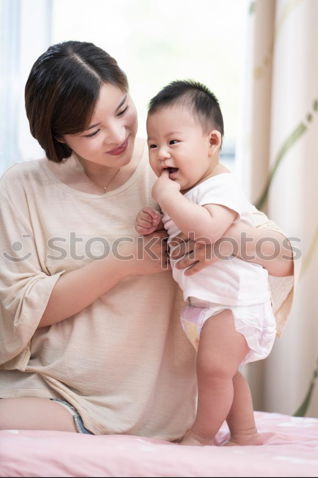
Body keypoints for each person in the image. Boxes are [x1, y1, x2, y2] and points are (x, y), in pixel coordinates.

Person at [0, 41, 294, 441]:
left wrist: (222, 240)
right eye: (92, 130)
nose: (119, 134)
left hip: (153, 401)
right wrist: (124, 262)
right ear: (60, 136)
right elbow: (19, 310)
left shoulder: (172, 164)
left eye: (122, 110)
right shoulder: (21, 187)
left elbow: (281, 259)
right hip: (53, 388)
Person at [135, 80, 289, 446]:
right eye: (153, 144)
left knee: (213, 370)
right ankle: (246, 434)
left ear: (212, 143)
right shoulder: (185, 192)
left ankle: (201, 436)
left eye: (173, 142)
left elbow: (208, 229)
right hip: (211, 303)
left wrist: (166, 198)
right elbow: (181, 224)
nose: (161, 154)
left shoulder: (220, 185)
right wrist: (157, 219)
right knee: (226, 374)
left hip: (235, 304)